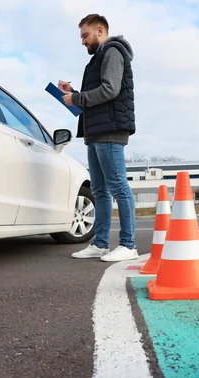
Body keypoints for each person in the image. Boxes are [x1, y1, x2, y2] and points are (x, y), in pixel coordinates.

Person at [58, 13, 138, 262]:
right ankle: (101, 243)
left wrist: (78, 99)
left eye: (85, 35)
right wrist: (74, 94)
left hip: (110, 130)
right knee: (101, 191)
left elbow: (110, 90)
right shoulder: (96, 59)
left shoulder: (113, 52)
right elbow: (98, 94)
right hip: (95, 131)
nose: (83, 41)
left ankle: (128, 245)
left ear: (100, 30)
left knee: (118, 187)